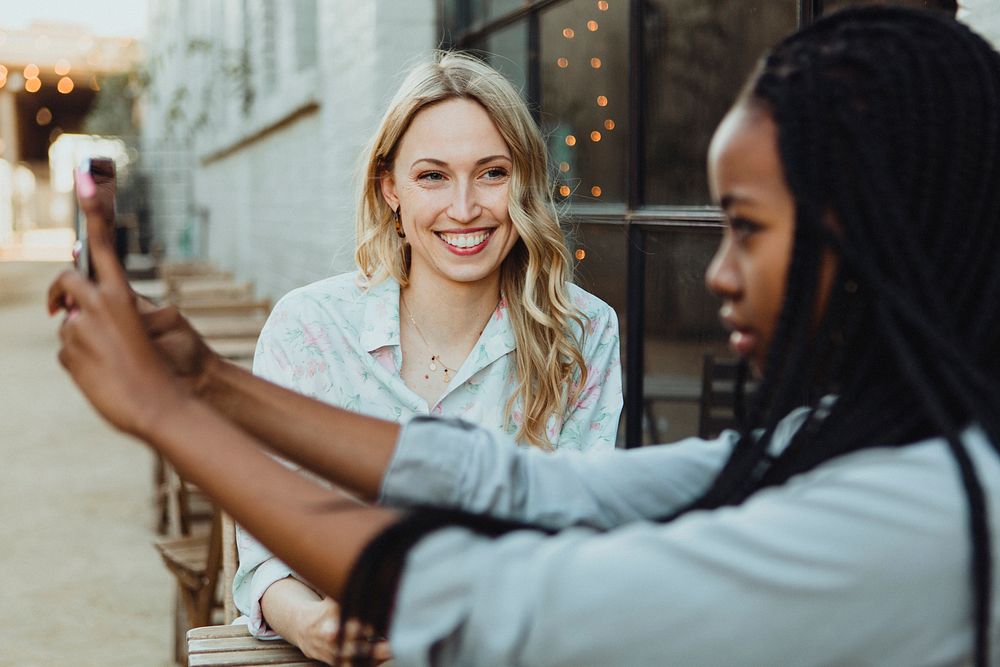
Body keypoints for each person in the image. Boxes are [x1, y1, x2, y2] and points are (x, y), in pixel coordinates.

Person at [51, 6, 1000, 666]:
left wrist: (165, 412)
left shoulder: (928, 517)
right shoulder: (835, 438)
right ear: (390, 185)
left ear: (882, 237)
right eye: (431, 176)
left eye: (744, 228)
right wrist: (208, 383)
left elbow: (502, 605)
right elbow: (517, 484)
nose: (713, 273)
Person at [234, 51, 622, 658]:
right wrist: (308, 624)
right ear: (389, 187)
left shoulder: (584, 331)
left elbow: (577, 538)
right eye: (432, 176)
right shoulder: (309, 329)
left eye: (492, 173)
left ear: (524, 181)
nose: (464, 208)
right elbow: (263, 543)